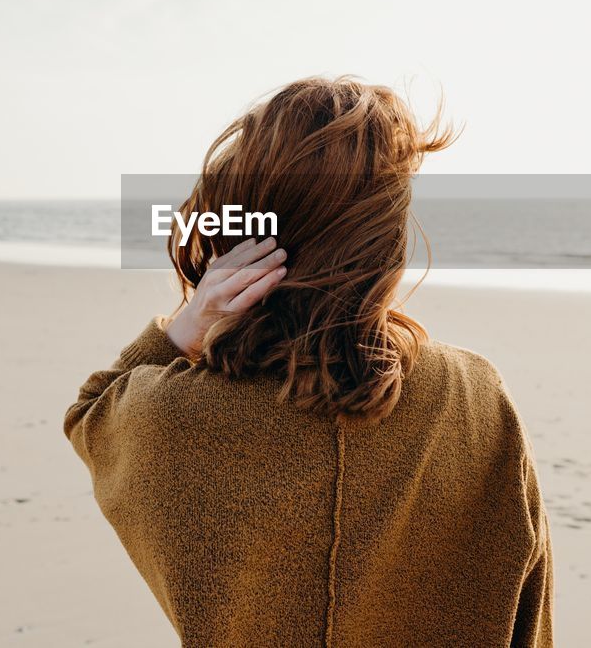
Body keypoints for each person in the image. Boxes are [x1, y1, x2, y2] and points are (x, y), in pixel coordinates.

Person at [64, 76, 553, 646]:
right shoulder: (475, 396)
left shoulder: (169, 416)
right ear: (384, 237)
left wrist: (186, 328)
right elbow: (529, 608)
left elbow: (90, 416)